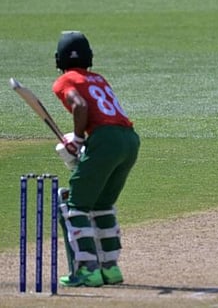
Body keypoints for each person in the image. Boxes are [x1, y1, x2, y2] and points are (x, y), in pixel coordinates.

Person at [52, 31, 141, 288]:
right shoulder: (98, 79)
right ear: (89, 57)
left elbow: (80, 106)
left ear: (58, 59)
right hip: (129, 140)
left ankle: (88, 270)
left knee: (76, 205)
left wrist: (78, 140)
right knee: (102, 205)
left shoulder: (64, 81)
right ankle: (110, 269)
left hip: (105, 139)